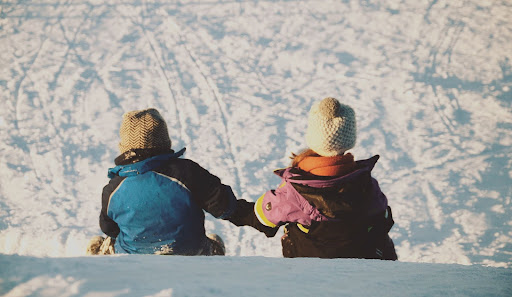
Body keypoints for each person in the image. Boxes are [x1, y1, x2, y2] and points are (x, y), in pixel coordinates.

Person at [246, 97, 398, 259]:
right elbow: (383, 221)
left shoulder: (292, 193)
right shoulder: (367, 186)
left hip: (307, 268)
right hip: (359, 266)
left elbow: (262, 217)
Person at [87, 108, 250, 256]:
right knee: (208, 244)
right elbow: (223, 206)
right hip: (190, 252)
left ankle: (105, 251)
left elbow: (108, 227)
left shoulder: (114, 187)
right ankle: (214, 250)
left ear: (125, 147)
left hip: (135, 256)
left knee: (114, 239)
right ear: (164, 140)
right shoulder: (186, 172)